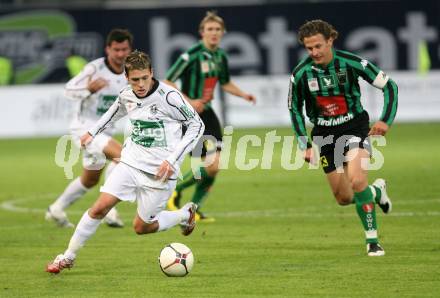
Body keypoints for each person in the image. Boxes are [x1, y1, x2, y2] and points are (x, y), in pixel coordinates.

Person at [46, 50, 205, 274]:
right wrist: (91, 133)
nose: (140, 84)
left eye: (144, 78)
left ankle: (184, 214)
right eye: (134, 80)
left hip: (160, 172)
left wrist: (172, 159)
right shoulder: (126, 95)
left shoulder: (169, 97)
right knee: (99, 207)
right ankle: (67, 257)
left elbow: (197, 125)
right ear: (126, 78)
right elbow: (112, 114)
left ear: (151, 73)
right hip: (130, 163)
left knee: (142, 227)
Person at [287, 20, 398, 256]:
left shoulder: (351, 62)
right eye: (309, 48)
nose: (314, 52)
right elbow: (294, 109)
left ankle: (372, 241)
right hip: (324, 135)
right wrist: (303, 143)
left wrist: (384, 120)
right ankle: (377, 192)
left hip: (354, 127)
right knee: (344, 197)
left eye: (318, 46)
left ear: (330, 40)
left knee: (357, 181)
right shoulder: (301, 74)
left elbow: (389, 86)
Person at [165, 11, 256, 222]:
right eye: (210, 29)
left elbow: (224, 82)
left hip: (209, 113)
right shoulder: (191, 55)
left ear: (223, 33)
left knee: (212, 168)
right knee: (211, 165)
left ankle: (192, 210)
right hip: (189, 116)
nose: (214, 33)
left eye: (217, 30)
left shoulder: (221, 56)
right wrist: (189, 101)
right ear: (202, 32)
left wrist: (243, 94)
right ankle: (176, 191)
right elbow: (168, 81)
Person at [46, 29, 133, 228]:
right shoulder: (94, 69)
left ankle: (56, 209)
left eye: (124, 49)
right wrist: (88, 89)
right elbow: (68, 90)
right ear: (108, 49)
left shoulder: (130, 73)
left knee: (90, 179)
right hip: (85, 129)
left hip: (106, 131)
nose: (120, 54)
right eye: (116, 49)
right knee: (125, 157)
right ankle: (108, 210)